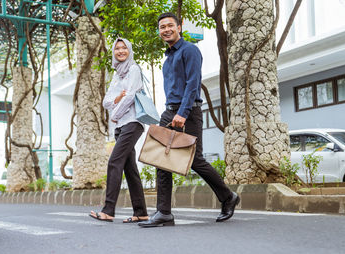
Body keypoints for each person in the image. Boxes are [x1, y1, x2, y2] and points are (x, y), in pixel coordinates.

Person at [138, 13, 239, 227]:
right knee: (160, 160)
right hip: (170, 111)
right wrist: (169, 112)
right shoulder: (168, 58)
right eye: (162, 27)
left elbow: (193, 84)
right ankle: (164, 213)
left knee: (195, 160)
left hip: (188, 111)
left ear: (179, 27)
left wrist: (182, 113)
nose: (166, 29)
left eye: (170, 25)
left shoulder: (190, 50)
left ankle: (228, 197)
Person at [90, 38, 148, 223]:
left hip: (132, 122)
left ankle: (108, 210)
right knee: (130, 170)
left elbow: (130, 95)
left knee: (114, 162)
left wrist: (115, 113)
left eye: (124, 48)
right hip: (120, 126)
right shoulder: (116, 74)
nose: (121, 51)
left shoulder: (133, 69)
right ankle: (141, 212)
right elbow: (105, 101)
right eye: (117, 48)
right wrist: (116, 100)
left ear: (129, 50)